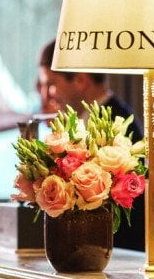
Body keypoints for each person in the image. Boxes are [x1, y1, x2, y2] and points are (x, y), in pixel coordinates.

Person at [36, 41, 143, 253]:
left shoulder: (115, 123)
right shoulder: (84, 121)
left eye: (51, 84)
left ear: (81, 80)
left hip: (116, 254)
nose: (46, 96)